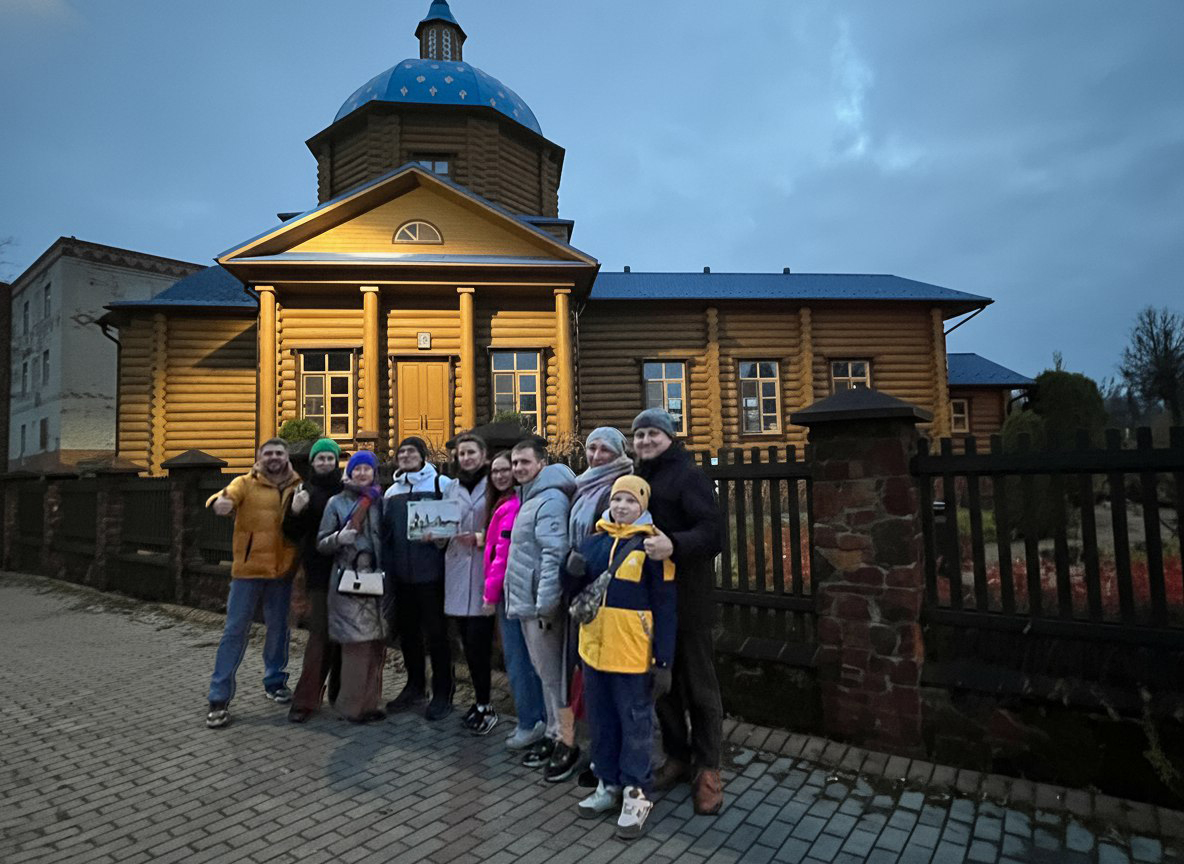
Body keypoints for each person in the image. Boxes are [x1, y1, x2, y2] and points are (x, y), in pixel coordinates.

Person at [567, 475, 675, 839]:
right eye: (617, 500)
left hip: (632, 655)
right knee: (602, 722)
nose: (622, 506)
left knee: (635, 725)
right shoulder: (593, 542)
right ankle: (608, 782)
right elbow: (577, 595)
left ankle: (636, 792)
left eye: (630, 500)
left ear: (643, 505)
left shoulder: (652, 547)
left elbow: (666, 606)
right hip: (594, 651)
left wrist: (663, 660)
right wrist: (571, 575)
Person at [633, 408, 725, 815]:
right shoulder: (639, 479)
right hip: (651, 603)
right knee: (663, 686)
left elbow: (713, 532)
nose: (645, 441)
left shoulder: (688, 476)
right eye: (639, 435)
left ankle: (708, 770)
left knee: (701, 690)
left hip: (689, 601)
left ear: (670, 437)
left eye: (653, 433)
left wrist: (675, 544)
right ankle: (677, 756)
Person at [204, 437, 303, 729]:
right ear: (259, 458)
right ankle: (219, 698)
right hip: (248, 572)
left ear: (287, 457)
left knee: (279, 630)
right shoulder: (245, 483)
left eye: (279, 453)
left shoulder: (298, 486)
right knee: (235, 631)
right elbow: (224, 497)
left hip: (281, 572)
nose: (274, 457)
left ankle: (275, 681)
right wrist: (220, 503)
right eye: (268, 453)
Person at [503, 437, 581, 782]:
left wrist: (547, 603)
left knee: (554, 678)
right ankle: (553, 733)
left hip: (540, 605)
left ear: (541, 463)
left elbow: (553, 554)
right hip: (528, 601)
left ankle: (566, 740)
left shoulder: (549, 500)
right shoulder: (530, 497)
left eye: (525, 462)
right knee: (545, 674)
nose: (518, 468)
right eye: (515, 462)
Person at [567, 426, 634, 784]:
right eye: (591, 448)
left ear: (619, 452)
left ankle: (608, 758)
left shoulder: (621, 487)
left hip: (608, 593)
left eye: (604, 449)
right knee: (586, 673)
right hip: (582, 586)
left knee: (608, 678)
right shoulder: (582, 483)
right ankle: (595, 750)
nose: (596, 456)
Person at [381, 436, 455, 720]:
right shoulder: (391, 493)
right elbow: (387, 535)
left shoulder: (441, 485)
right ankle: (414, 686)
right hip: (402, 577)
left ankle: (443, 692)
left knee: (437, 635)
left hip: (433, 575)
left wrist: (442, 539)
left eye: (412, 451)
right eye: (401, 452)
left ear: (423, 456)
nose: (406, 455)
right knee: (408, 634)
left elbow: (454, 524)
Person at [483, 450, 547, 751]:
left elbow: (503, 556)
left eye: (505, 469)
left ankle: (530, 722)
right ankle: (537, 720)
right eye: (495, 470)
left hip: (513, 591)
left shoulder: (512, 506)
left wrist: (490, 594)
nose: (500, 475)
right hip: (514, 589)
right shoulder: (504, 502)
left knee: (520, 661)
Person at [316, 450, 387, 723]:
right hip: (348, 582)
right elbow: (321, 543)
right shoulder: (336, 502)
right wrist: (339, 538)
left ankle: (369, 704)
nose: (362, 473)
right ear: (350, 472)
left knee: (374, 646)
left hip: (376, 581)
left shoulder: (380, 500)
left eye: (367, 468)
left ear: (374, 473)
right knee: (355, 647)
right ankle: (350, 708)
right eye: (357, 468)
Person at [282, 437, 344, 723]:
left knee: (344, 634)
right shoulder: (304, 491)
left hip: (347, 571)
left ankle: (340, 693)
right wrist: (295, 511)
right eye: (321, 458)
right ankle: (306, 699)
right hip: (318, 572)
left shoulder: (346, 490)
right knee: (320, 634)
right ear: (313, 462)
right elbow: (291, 533)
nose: (326, 462)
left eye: (330, 458)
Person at [441, 432, 498, 735]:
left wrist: (480, 538)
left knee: (479, 645)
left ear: (484, 456)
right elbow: (443, 525)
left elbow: (506, 527)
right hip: (457, 572)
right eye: (462, 454)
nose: (466, 458)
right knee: (466, 644)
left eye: (471, 452)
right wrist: (434, 535)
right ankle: (478, 703)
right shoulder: (450, 487)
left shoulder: (494, 485)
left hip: (483, 573)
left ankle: (486, 705)